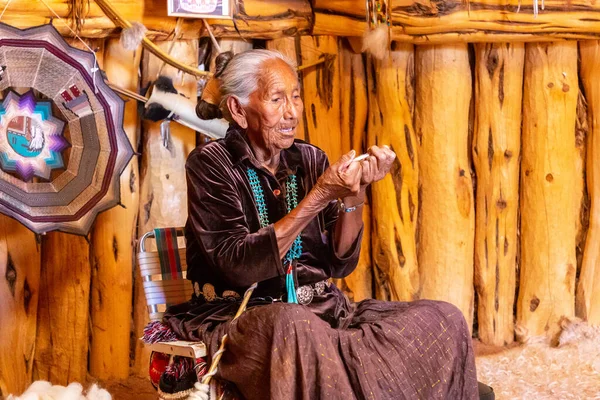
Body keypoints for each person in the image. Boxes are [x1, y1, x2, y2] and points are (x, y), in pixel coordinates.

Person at [165, 49, 489, 400]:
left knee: (442, 317)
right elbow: (238, 265)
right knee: (294, 327)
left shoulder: (308, 157)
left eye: (295, 97)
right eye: (277, 99)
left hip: (323, 312)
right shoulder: (210, 165)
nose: (292, 112)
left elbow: (339, 262)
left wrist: (355, 194)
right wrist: (318, 196)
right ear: (238, 110)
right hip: (243, 322)